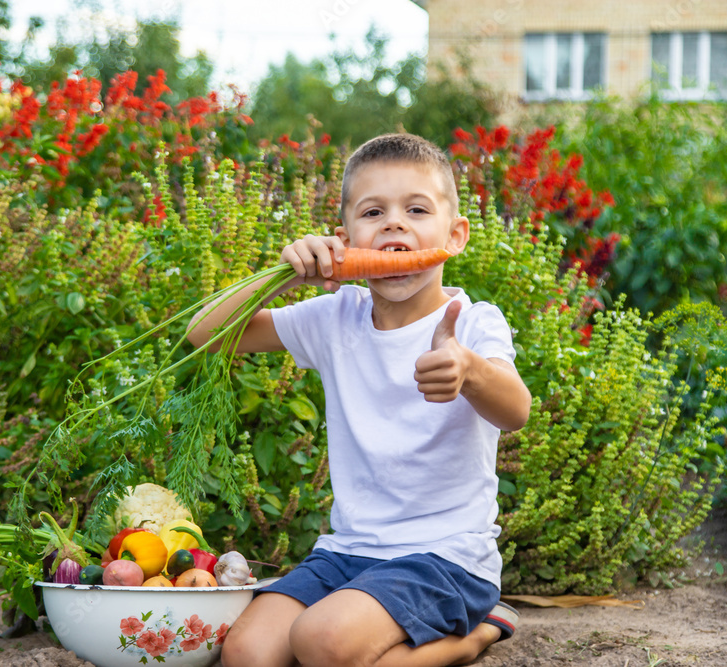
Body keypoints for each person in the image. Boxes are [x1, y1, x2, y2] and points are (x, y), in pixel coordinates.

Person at [186, 133, 532, 667]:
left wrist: (470, 371)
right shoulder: (334, 317)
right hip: (348, 553)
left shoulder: (472, 322)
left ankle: (478, 632)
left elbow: (516, 410)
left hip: (446, 558)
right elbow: (204, 333)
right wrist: (283, 278)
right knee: (247, 653)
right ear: (344, 238)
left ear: (455, 234)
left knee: (320, 643)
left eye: (417, 209)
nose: (394, 224)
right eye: (374, 212)